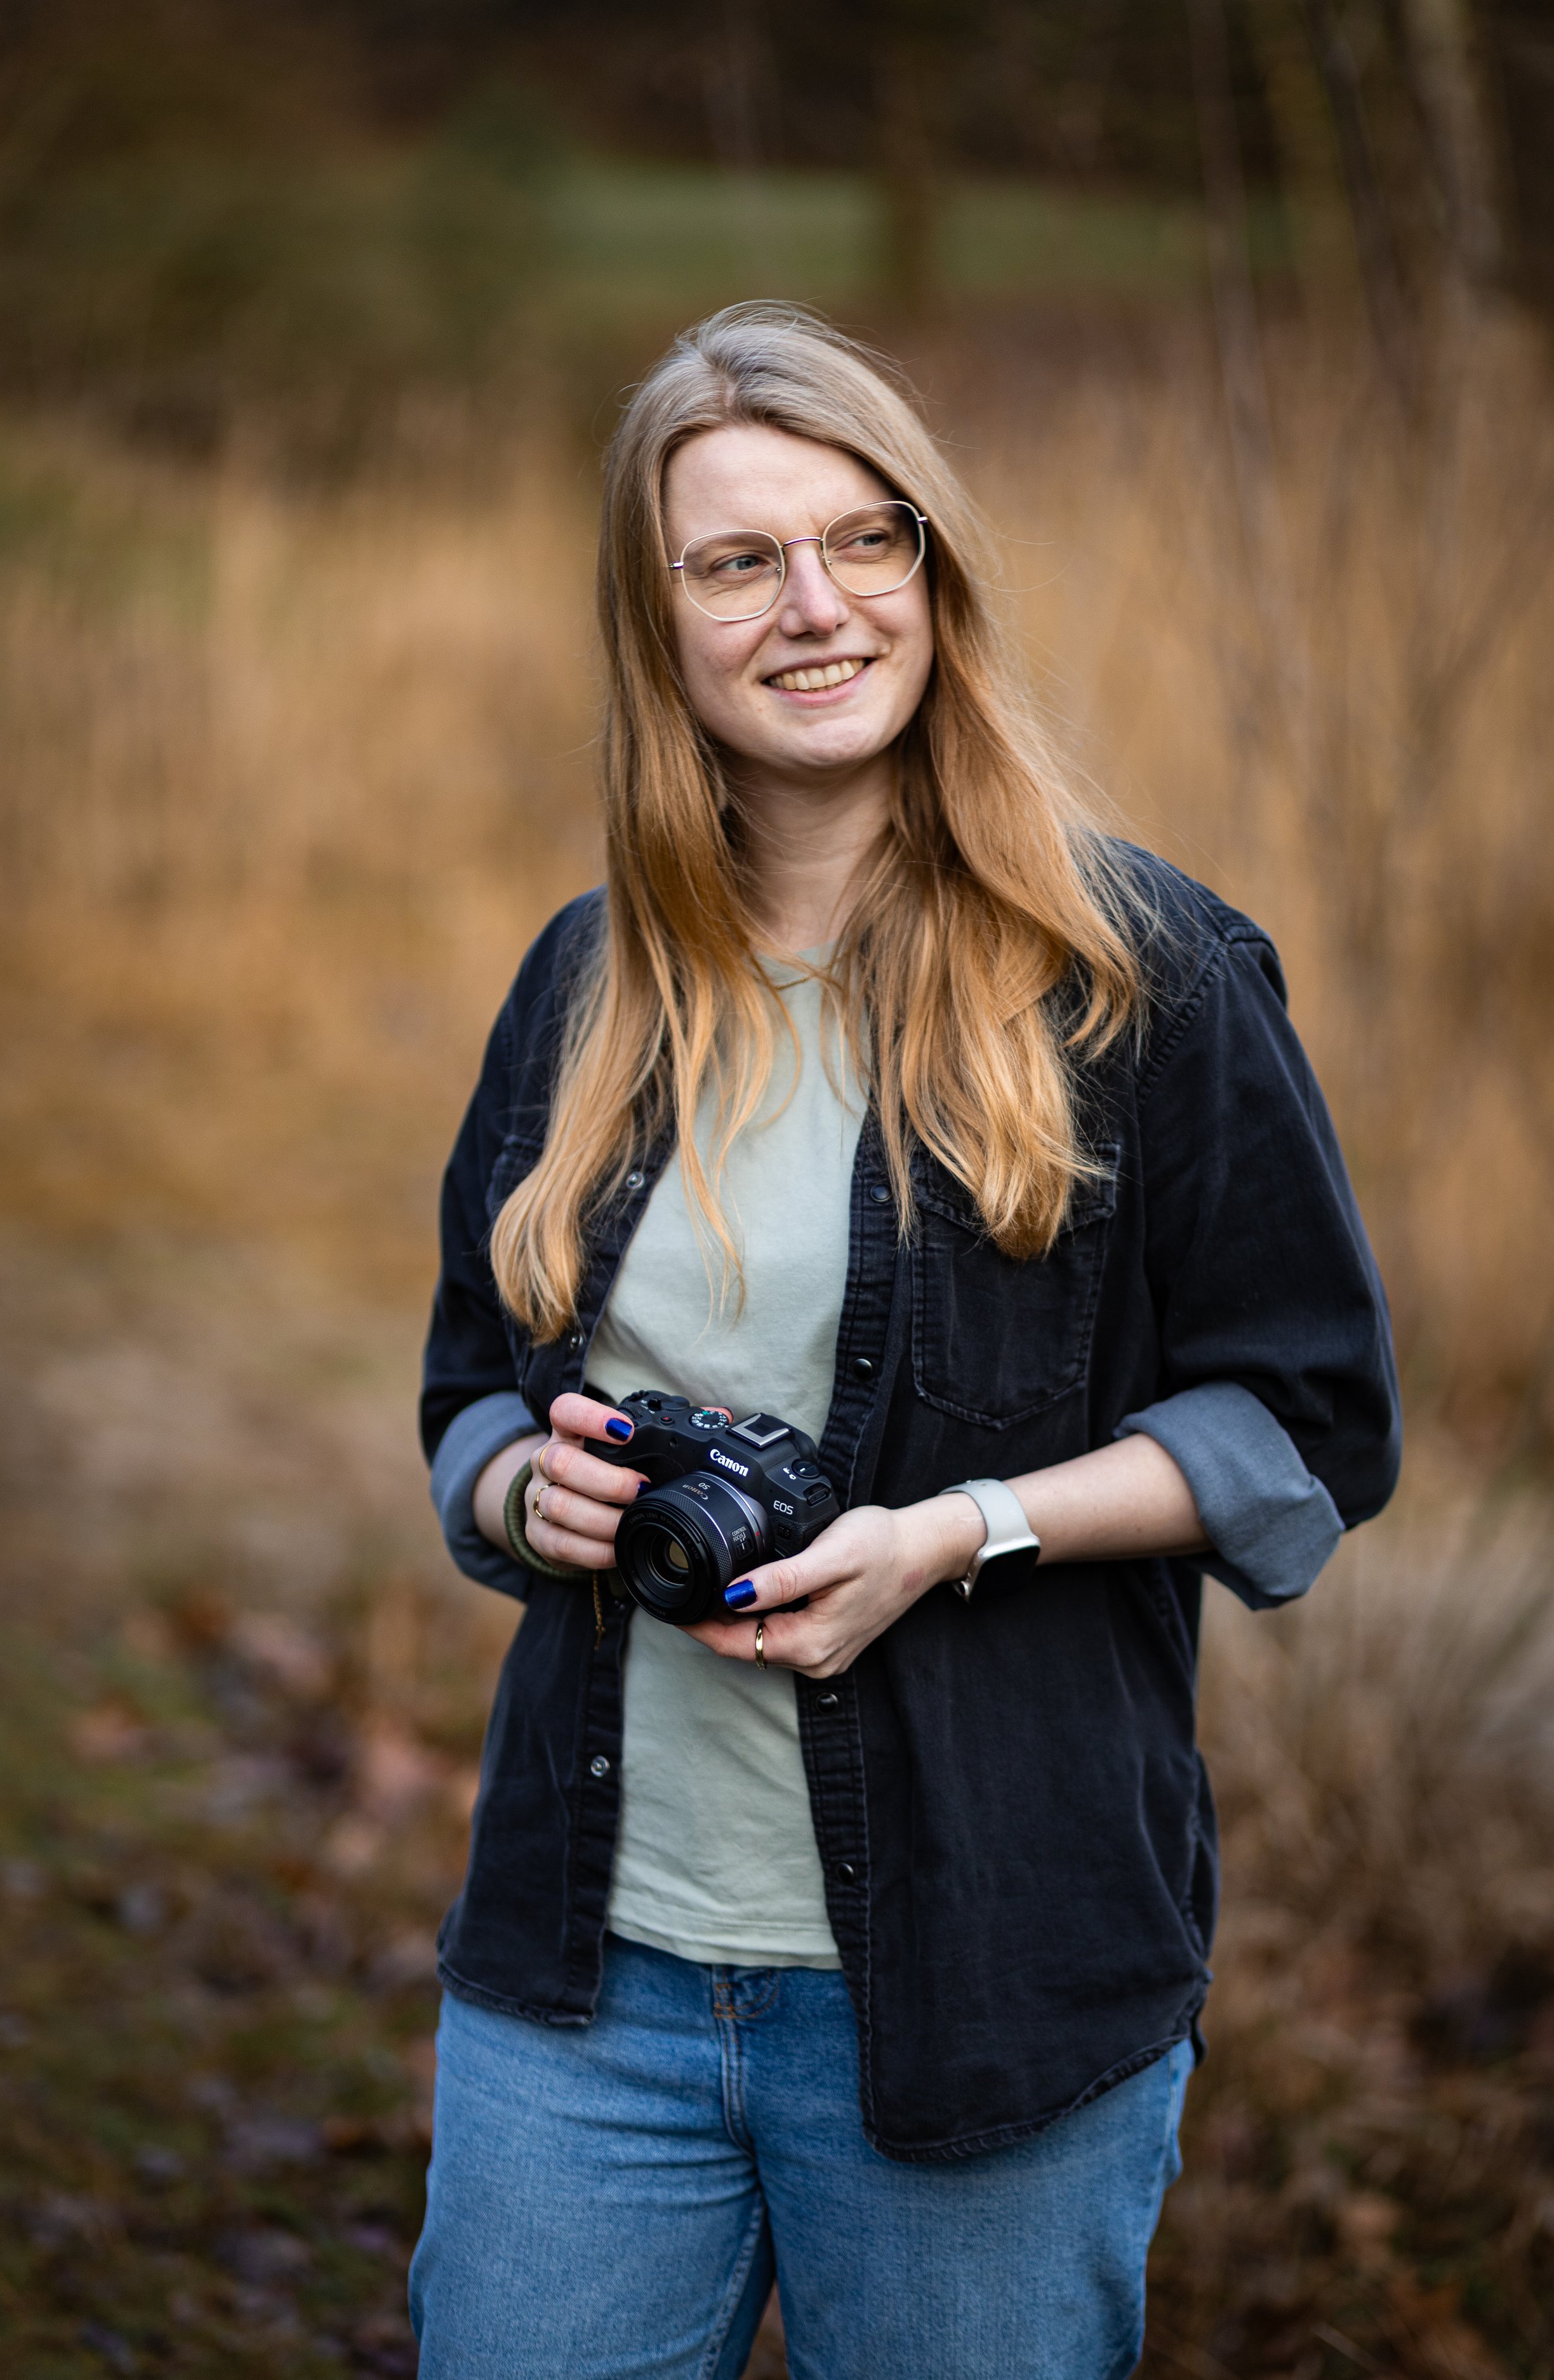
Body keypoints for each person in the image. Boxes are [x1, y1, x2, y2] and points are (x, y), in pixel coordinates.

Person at [409, 303, 1400, 2379]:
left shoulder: (1145, 979)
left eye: (870, 541)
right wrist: (533, 1490)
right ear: (652, 616)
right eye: (736, 559)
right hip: (586, 1977)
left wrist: (958, 1532)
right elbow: (464, 1400)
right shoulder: (585, 984)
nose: (818, 605)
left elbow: (1306, 1426)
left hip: (986, 1983)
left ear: (938, 575)